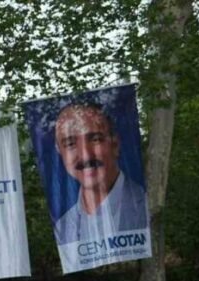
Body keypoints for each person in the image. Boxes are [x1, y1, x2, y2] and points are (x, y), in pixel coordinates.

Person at [52, 102, 149, 245]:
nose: (85, 156)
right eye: (70, 144)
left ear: (115, 145)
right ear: (60, 153)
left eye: (95, 139)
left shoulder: (147, 205)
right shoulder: (62, 228)